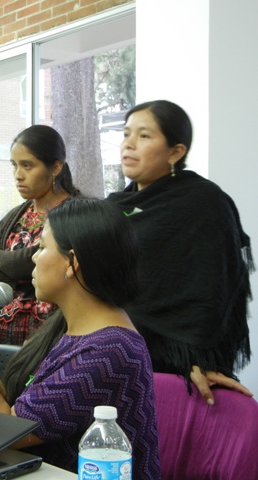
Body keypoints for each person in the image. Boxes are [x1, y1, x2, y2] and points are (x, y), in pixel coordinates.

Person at [0, 198, 160, 477]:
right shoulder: (71, 327)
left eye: (42, 247)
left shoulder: (110, 350)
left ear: (72, 263)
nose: (33, 256)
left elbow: (11, 432)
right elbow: (35, 416)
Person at [107, 100, 253, 404]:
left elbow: (212, 289)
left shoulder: (204, 203)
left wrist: (196, 358)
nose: (129, 144)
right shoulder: (112, 206)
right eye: (126, 134)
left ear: (176, 152)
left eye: (144, 136)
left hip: (176, 368)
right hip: (110, 352)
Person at [0, 124, 80, 346]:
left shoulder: (76, 213)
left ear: (55, 167)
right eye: (15, 165)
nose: (18, 175)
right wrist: (21, 282)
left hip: (47, 338)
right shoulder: (16, 215)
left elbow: (31, 261)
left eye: (27, 166)